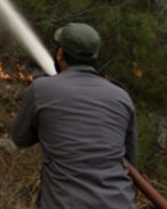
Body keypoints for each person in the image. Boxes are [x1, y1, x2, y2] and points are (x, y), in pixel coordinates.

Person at [11, 23, 137, 208]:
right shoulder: (121, 97)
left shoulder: (41, 89)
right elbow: (130, 161)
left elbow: (20, 138)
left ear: (60, 54)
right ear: (95, 55)